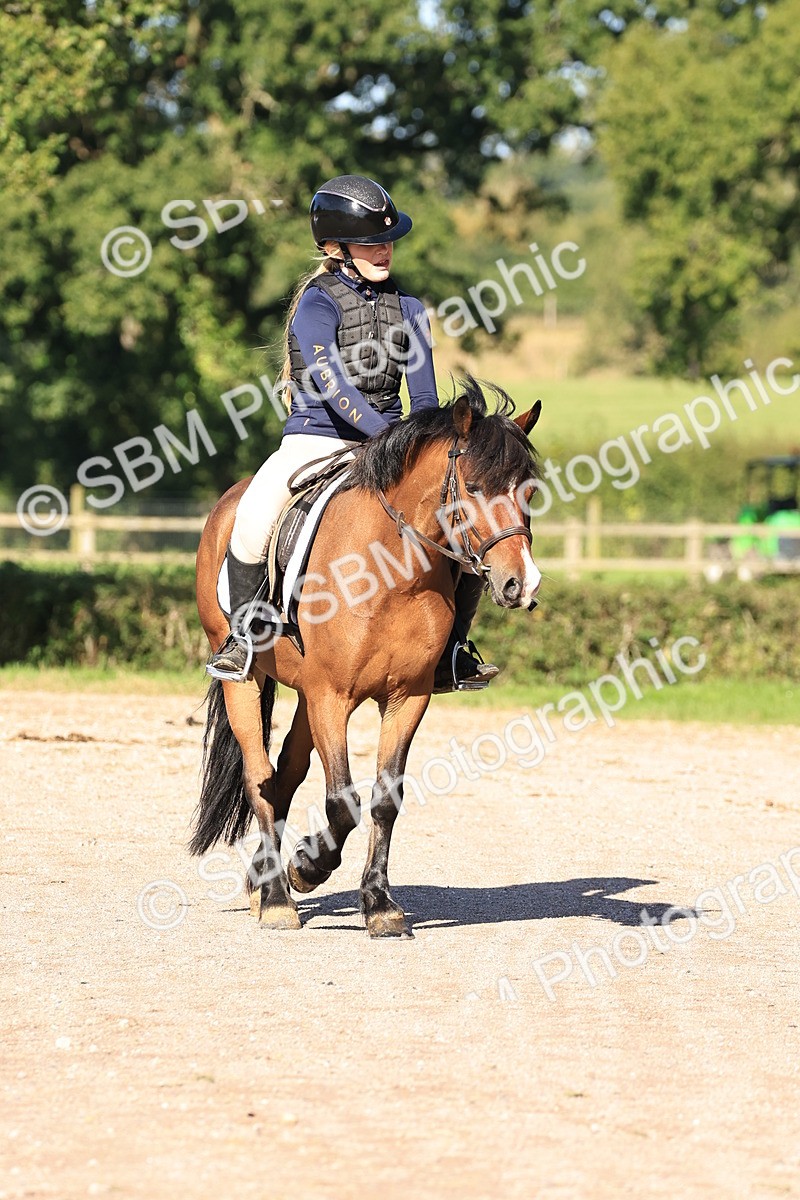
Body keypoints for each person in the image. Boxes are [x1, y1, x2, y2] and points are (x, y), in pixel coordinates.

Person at [208, 173, 498, 692]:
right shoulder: (316, 304)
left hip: (390, 444)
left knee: (467, 527)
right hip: (316, 438)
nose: (385, 251)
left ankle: (453, 649)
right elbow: (331, 383)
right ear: (336, 246)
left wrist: (421, 444)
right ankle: (244, 636)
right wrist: (390, 435)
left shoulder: (409, 309)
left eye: (388, 241)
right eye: (372, 242)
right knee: (251, 518)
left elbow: (425, 399)